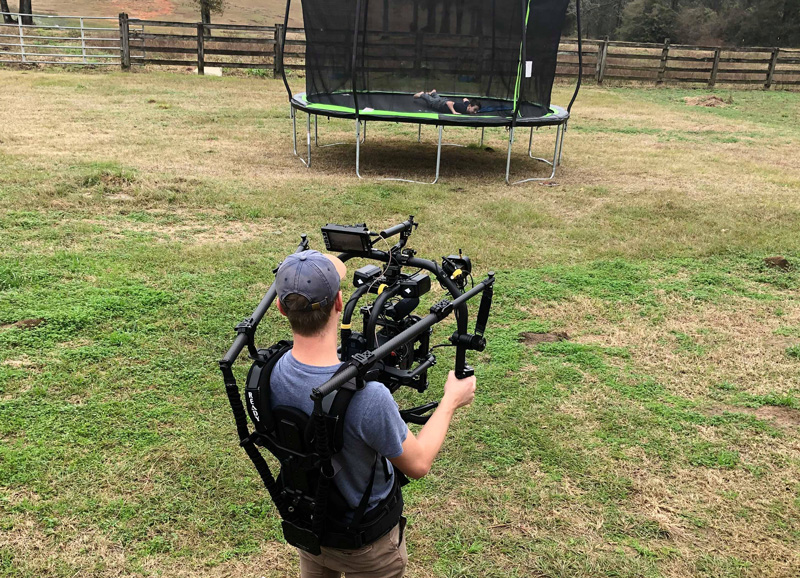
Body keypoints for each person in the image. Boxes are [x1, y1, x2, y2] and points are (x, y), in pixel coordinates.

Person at [270, 250, 477, 578]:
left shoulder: (270, 372)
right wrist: (451, 400)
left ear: (281, 308)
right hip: (366, 547)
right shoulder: (368, 398)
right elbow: (419, 464)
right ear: (340, 303)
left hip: (311, 528)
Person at [413, 89, 481, 115]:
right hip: (440, 105)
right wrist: (454, 112)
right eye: (474, 109)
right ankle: (422, 94)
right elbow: (449, 103)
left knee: (438, 98)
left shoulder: (467, 105)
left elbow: (465, 99)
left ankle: (433, 93)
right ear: (470, 106)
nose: (475, 112)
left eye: (476, 110)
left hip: (442, 101)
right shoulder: (462, 108)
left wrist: (468, 103)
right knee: (431, 102)